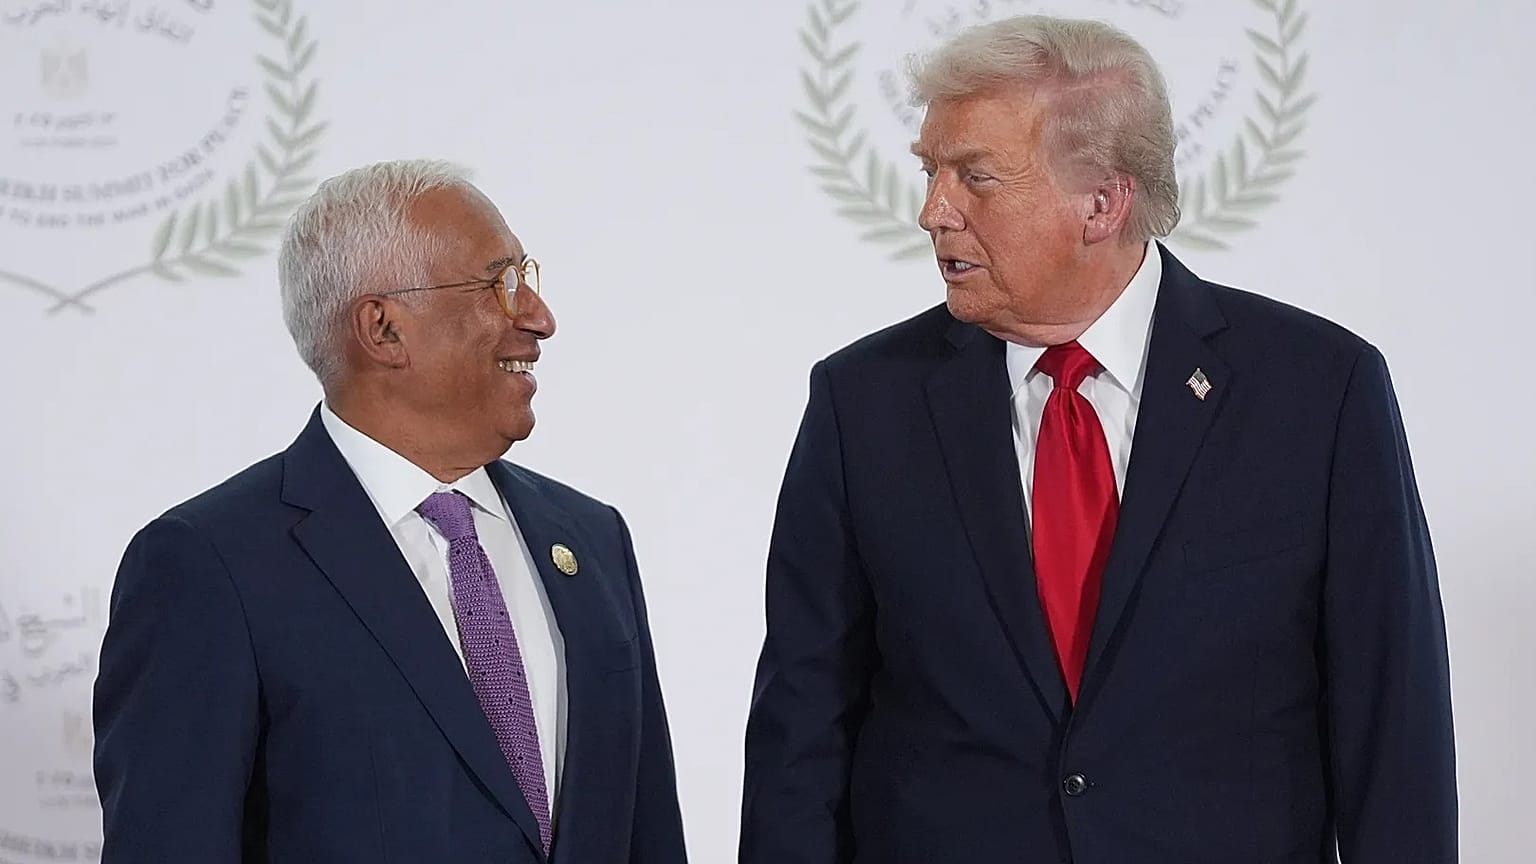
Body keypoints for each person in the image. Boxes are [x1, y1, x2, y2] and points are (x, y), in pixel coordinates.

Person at [740, 15, 1456, 864]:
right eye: (931, 171)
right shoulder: (863, 403)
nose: (933, 211)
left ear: (1102, 203)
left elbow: (1392, 728)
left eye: (976, 177)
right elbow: (801, 733)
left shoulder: (1319, 391)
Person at [93, 160, 688, 863]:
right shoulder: (210, 565)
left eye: (529, 279)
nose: (538, 316)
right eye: (501, 283)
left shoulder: (590, 541)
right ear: (382, 328)